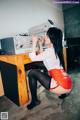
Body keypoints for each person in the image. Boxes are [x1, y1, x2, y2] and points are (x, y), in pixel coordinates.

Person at [27, 27, 73, 110]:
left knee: (32, 73)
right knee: (39, 70)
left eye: (47, 36)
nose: (45, 37)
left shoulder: (49, 51)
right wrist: (40, 44)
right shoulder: (55, 50)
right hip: (67, 84)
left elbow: (32, 58)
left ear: (52, 39)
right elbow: (43, 57)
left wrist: (34, 42)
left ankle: (34, 101)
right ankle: (63, 93)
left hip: (61, 86)